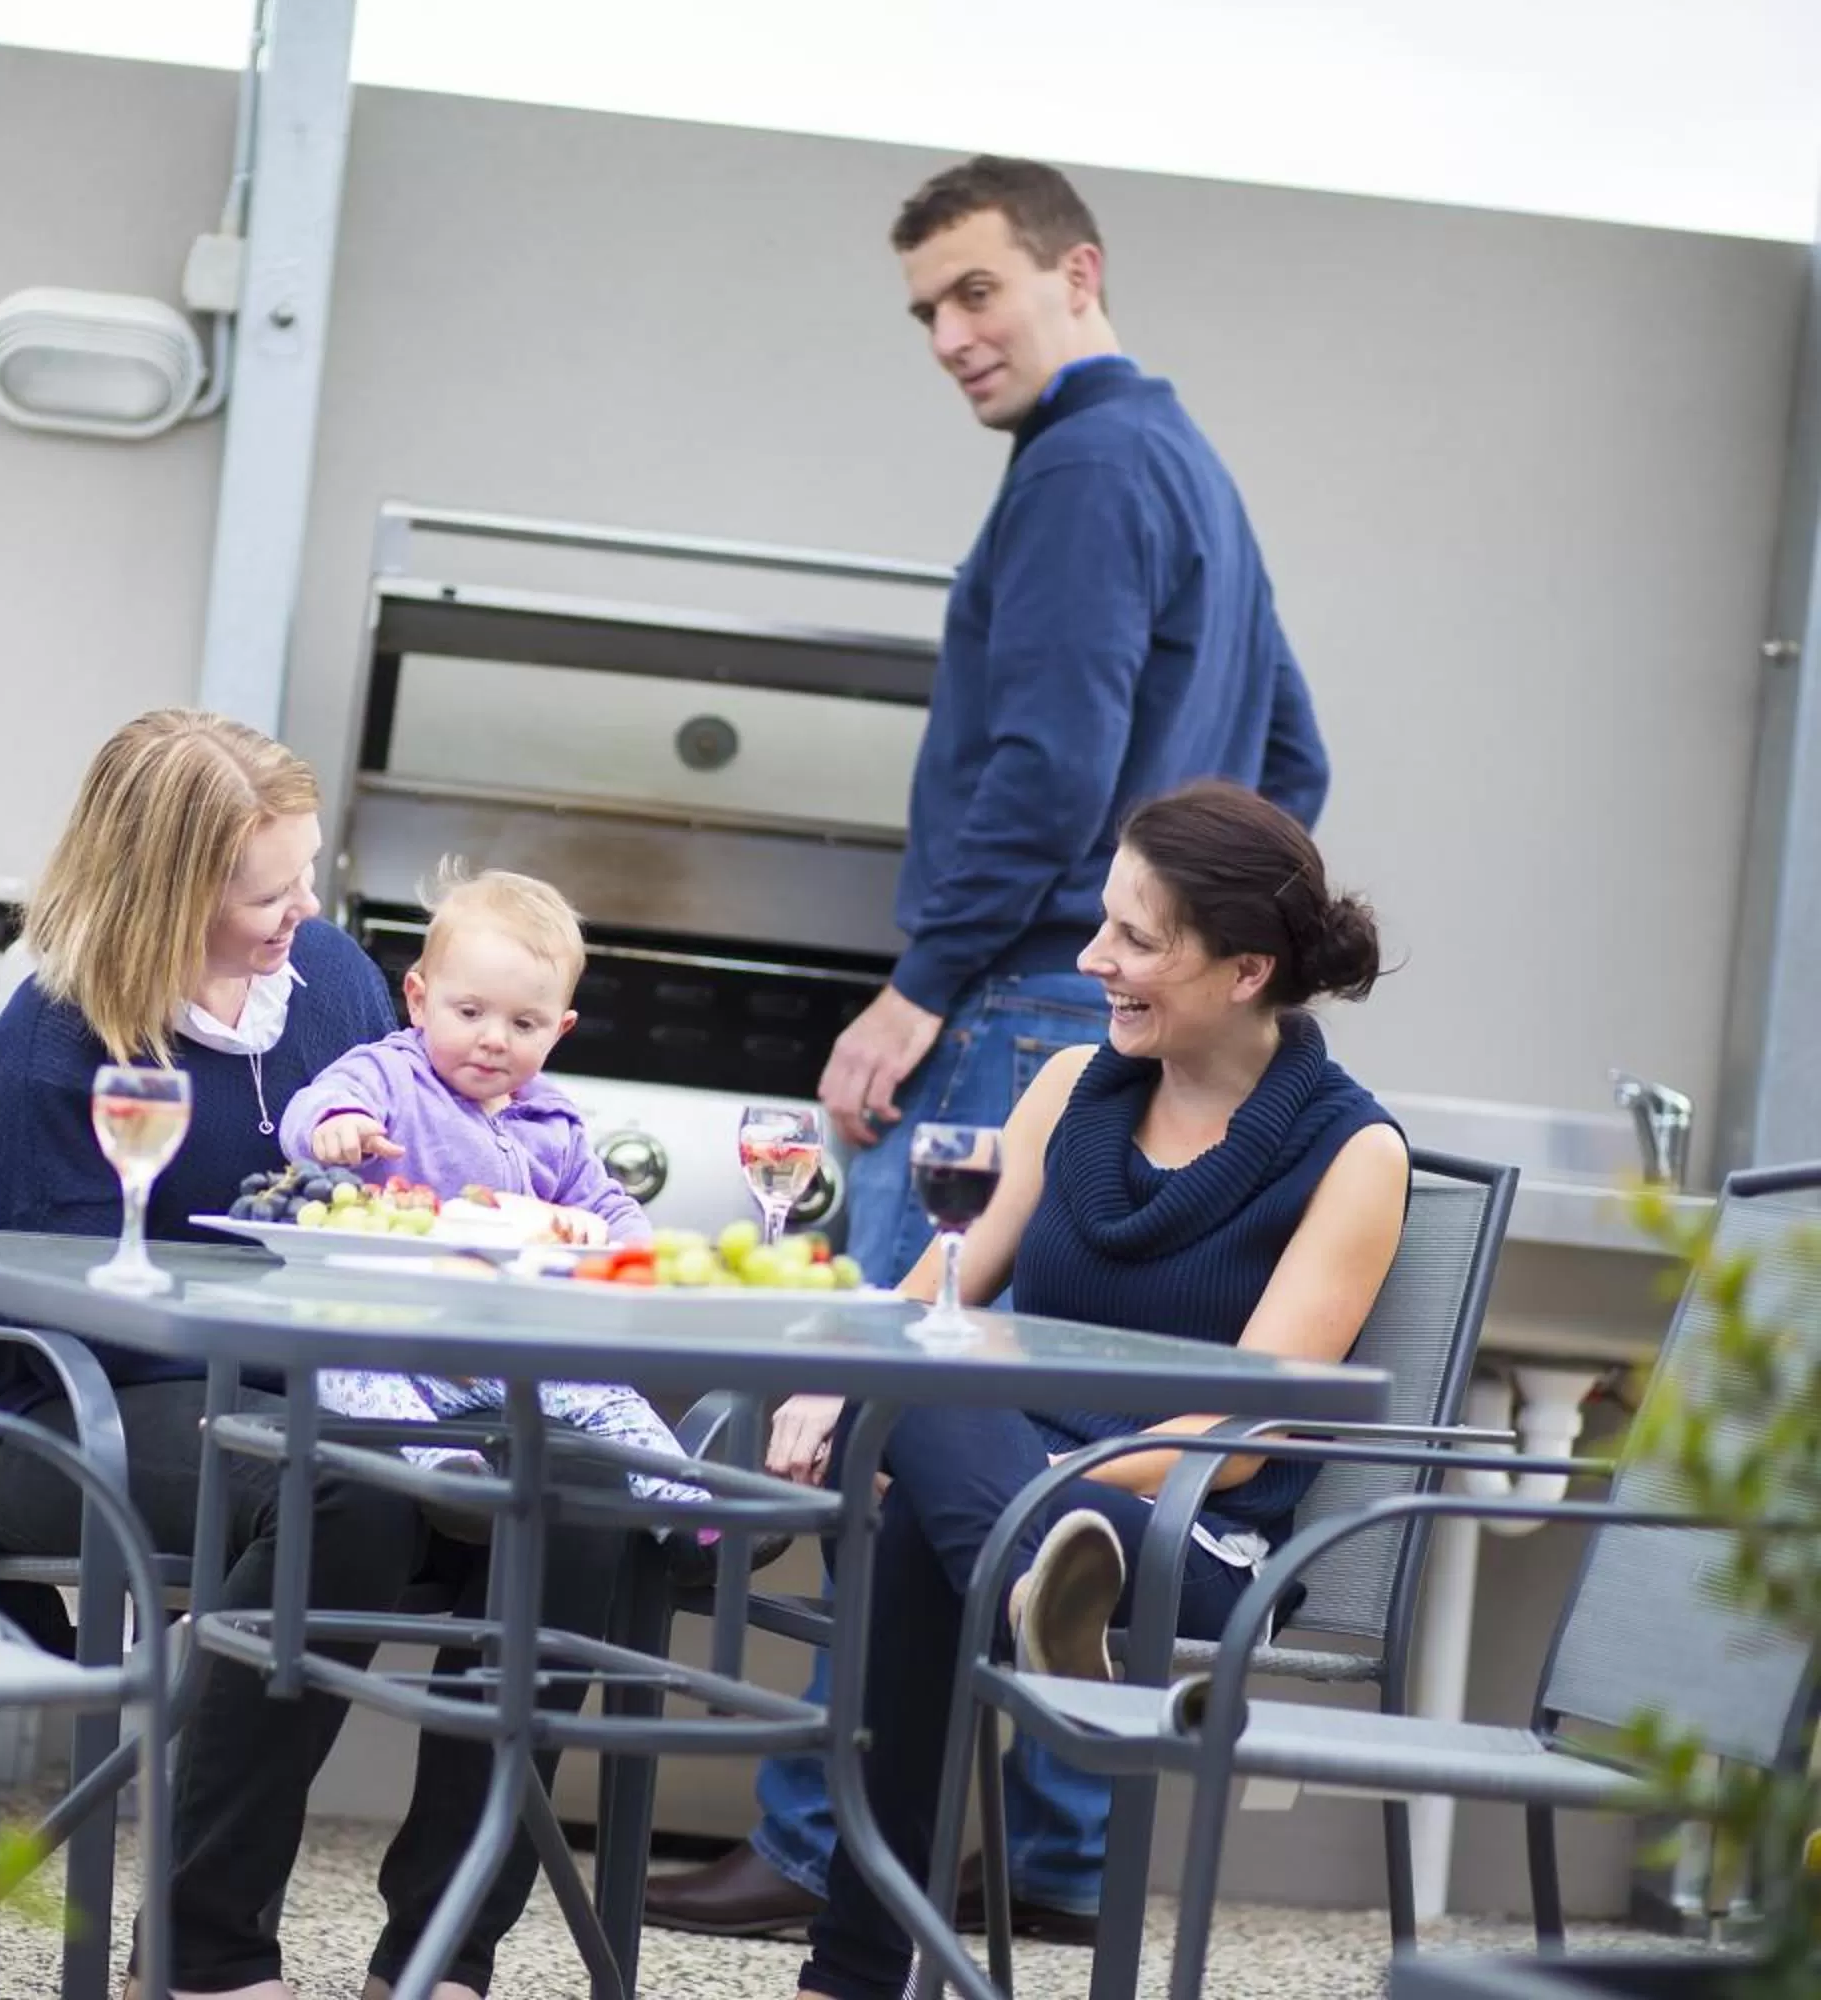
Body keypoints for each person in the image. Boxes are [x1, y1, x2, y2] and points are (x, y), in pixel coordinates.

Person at [649, 151, 1334, 1943]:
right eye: (926, 313)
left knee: (890, 1416)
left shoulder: (1087, 470)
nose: (951, 338)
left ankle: (825, 1852)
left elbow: (1042, 760)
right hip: (1111, 1011)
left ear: (1076, 272)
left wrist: (924, 984)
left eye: (978, 294)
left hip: (1019, 1002)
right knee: (1034, 1425)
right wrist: (1195, 969)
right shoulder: (1198, 472)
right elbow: (1292, 772)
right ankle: (1043, 1858)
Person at [0, 709, 636, 2000]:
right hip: (77, 1407)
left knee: (574, 1498)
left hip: (343, 1388)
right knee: (350, 1487)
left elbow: (406, 1184)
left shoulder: (329, 985)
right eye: (272, 889)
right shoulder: (49, 1050)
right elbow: (85, 1309)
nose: (303, 910)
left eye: (305, 874)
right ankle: (203, 1954)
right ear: (174, 887)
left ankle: (441, 1959)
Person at [770, 781, 1408, 1999]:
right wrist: (829, 1381)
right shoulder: (1069, 1086)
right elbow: (928, 1297)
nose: (1092, 956)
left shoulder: (1352, 1152)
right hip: (1022, 1507)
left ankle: (846, 1979)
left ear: (1242, 970)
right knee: (926, 1415)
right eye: (1101, 922)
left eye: (1135, 937)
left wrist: (973, 1448)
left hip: (1187, 1530)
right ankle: (1026, 1588)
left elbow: (1234, 1440)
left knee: (926, 1466)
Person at [278, 867, 713, 1517]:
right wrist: (337, 1125)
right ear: (420, 1000)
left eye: (524, 1024)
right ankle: (448, 1479)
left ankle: (685, 1511)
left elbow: (604, 1202)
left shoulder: (552, 1121)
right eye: (471, 1012)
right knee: (344, 1369)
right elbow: (314, 1107)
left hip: (504, 1356)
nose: (493, 1039)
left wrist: (636, 1255)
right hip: (388, 1336)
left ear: (559, 1031)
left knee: (609, 1395)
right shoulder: (392, 1074)